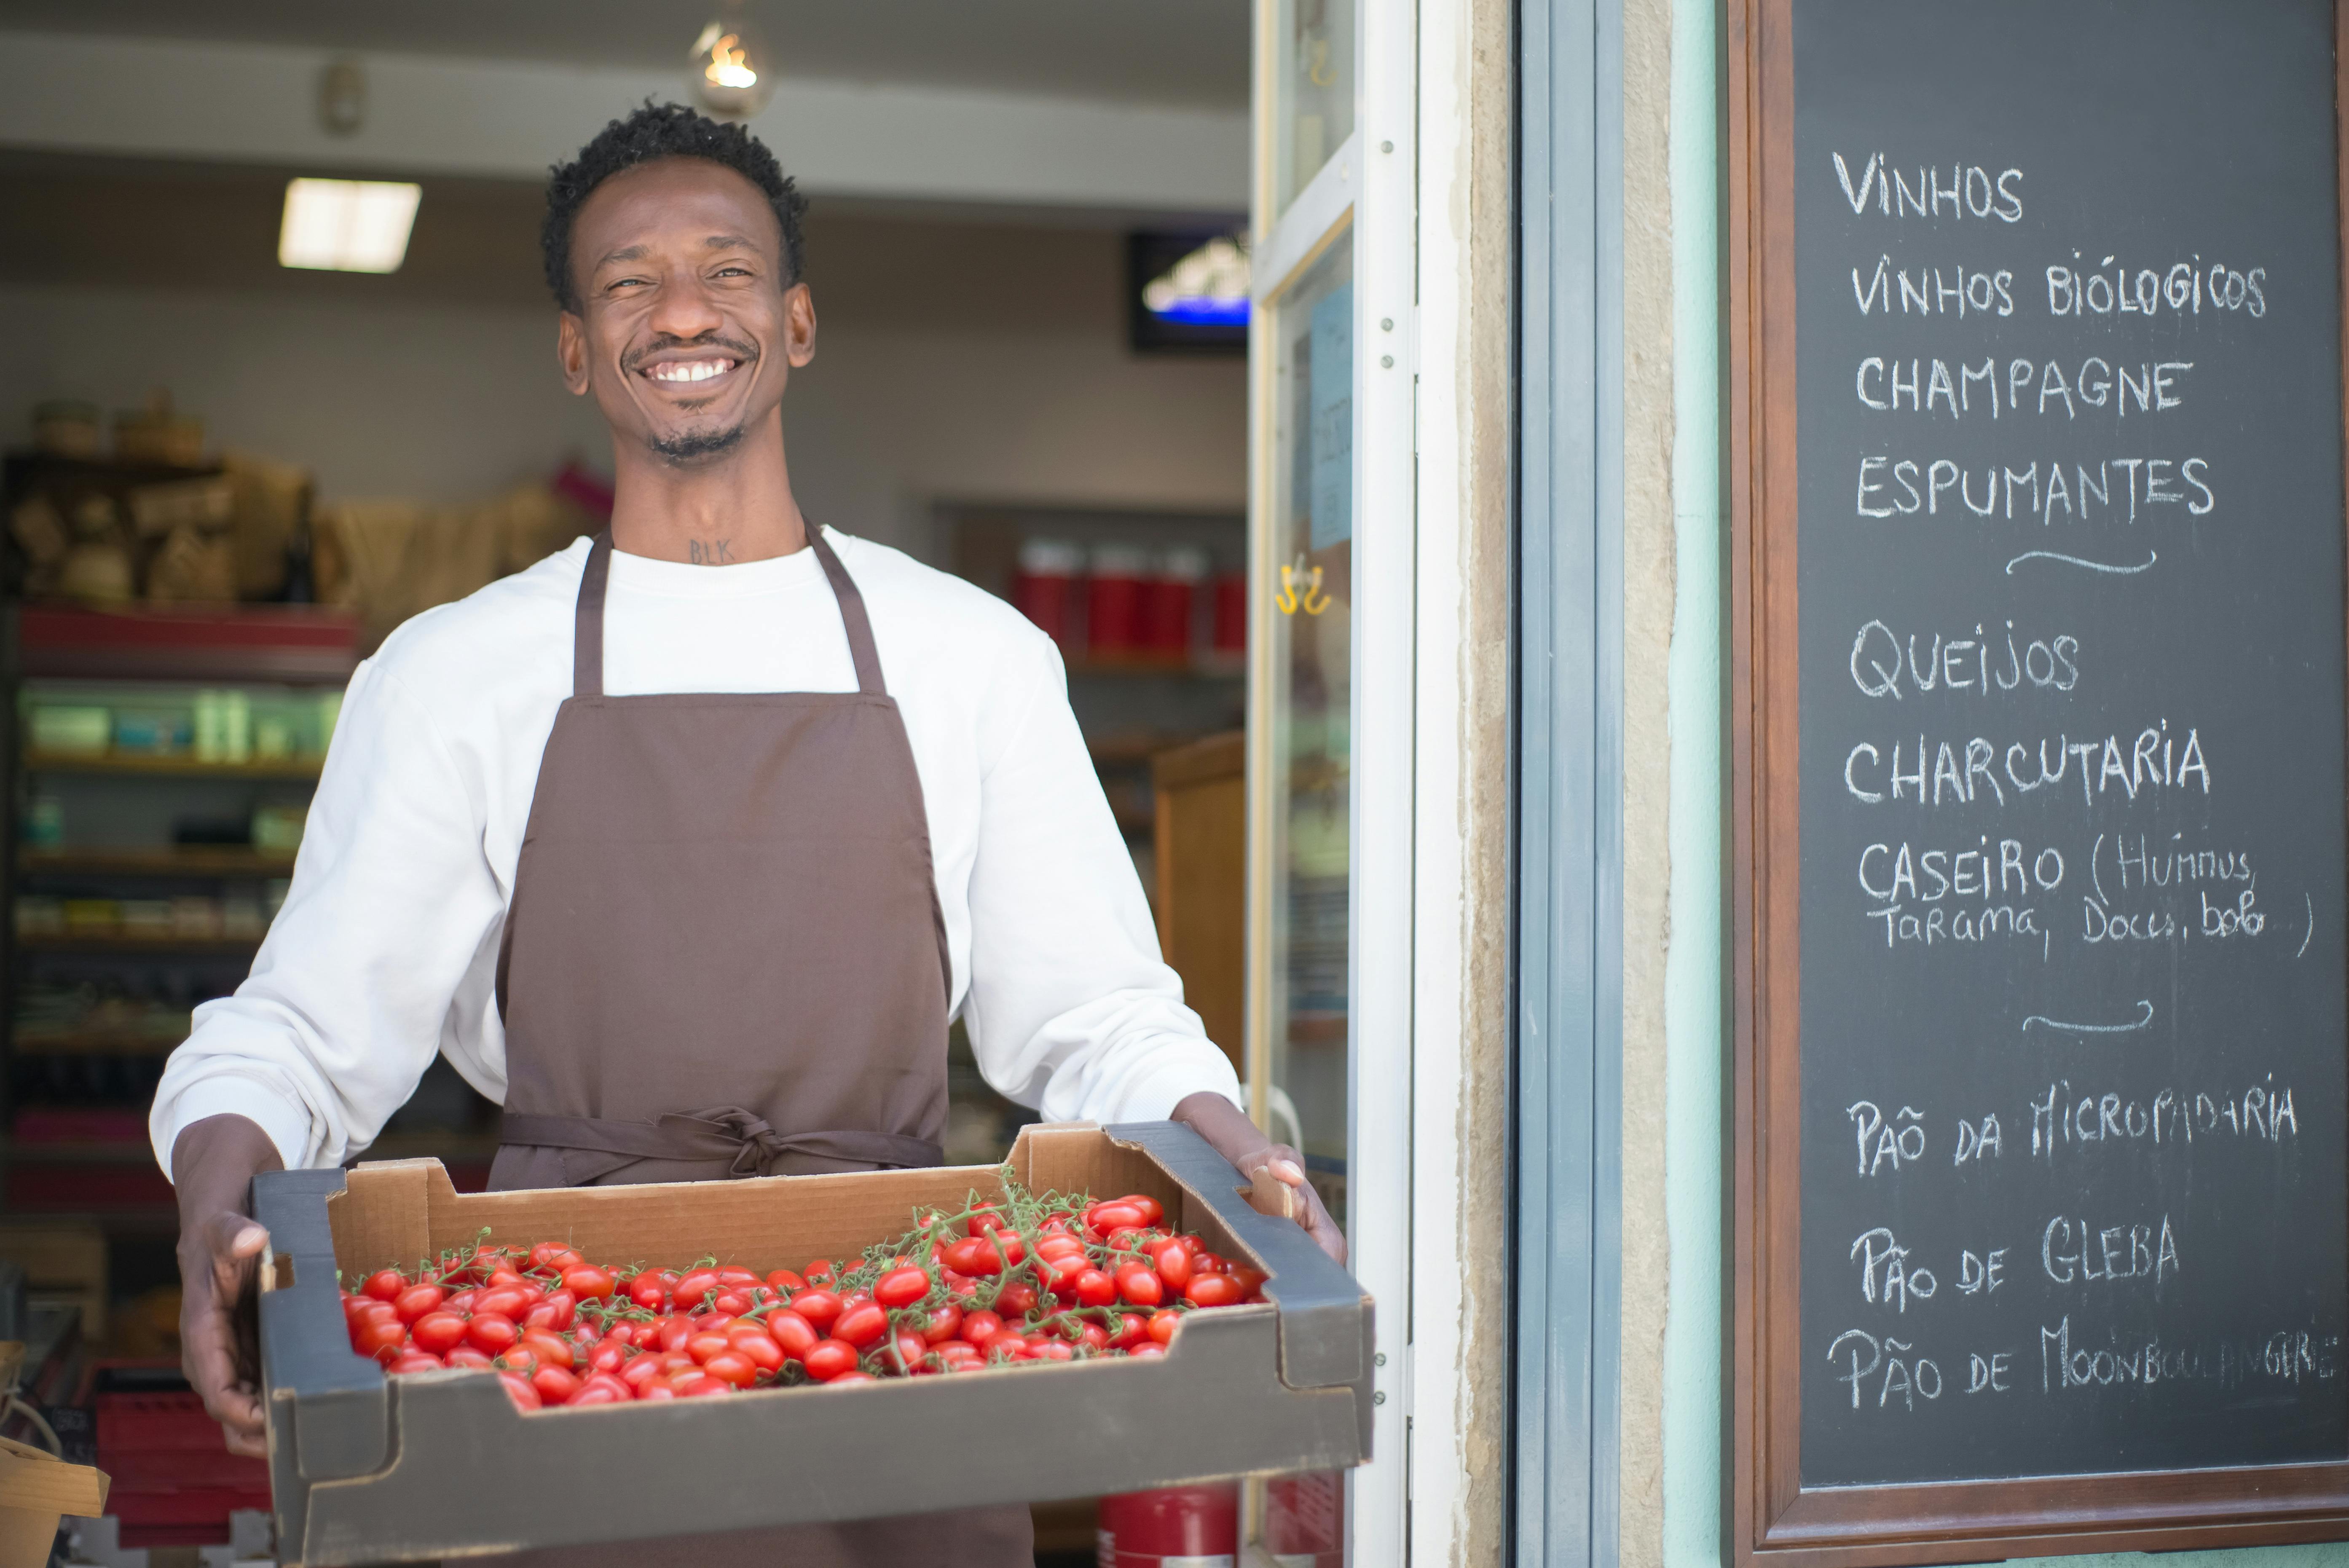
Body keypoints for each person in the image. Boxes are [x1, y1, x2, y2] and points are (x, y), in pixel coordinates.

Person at [155, 102, 1341, 1564]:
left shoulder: (970, 653)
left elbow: (1098, 1016)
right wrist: (219, 1202)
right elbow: (299, 1032)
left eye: (725, 270)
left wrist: (1235, 1161)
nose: (681, 311)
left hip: (913, 1332)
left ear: (795, 322)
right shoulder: (453, 671)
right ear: (579, 349)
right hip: (566, 1356)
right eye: (626, 281)